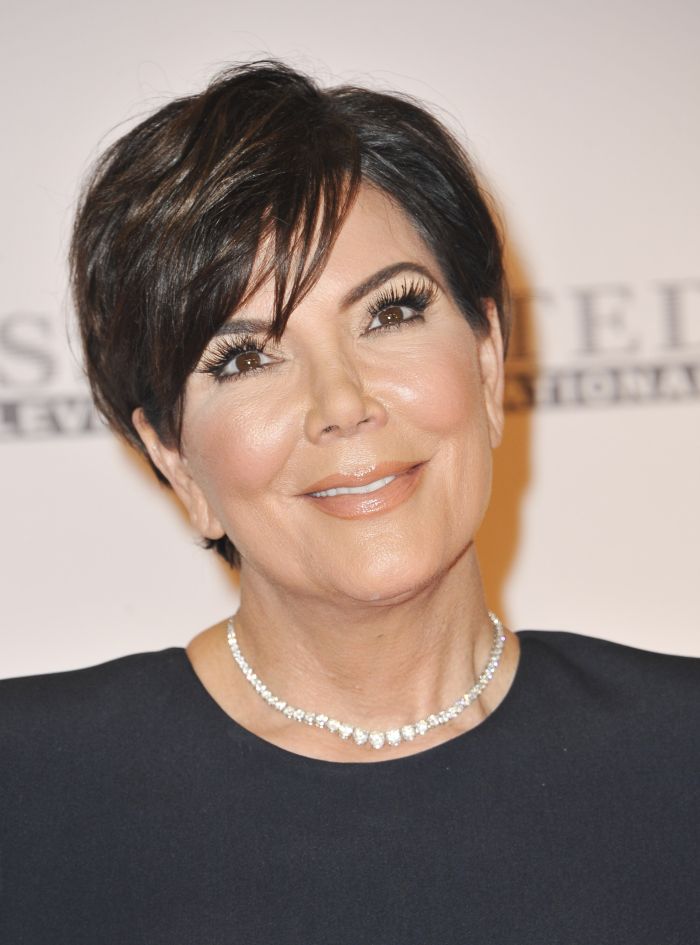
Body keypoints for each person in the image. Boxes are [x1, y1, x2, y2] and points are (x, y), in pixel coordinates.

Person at [0, 60, 697, 945]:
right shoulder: (27, 786)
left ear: (487, 361)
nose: (342, 402)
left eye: (390, 313)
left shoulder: (682, 751)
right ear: (176, 460)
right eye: (245, 358)